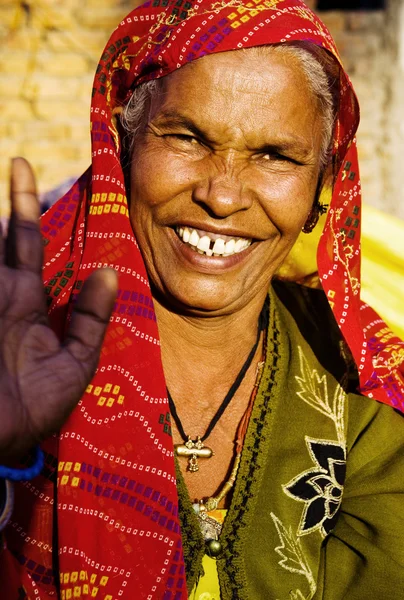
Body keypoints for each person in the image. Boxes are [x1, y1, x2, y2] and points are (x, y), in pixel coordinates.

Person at [0, 0, 403, 598]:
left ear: (323, 187)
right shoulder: (24, 356)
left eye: (275, 156)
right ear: (123, 149)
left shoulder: (364, 406)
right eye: (187, 137)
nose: (222, 196)